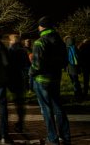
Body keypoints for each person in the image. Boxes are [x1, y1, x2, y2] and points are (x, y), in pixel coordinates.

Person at [29, 16, 71, 145]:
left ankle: (52, 138)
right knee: (58, 108)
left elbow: (37, 65)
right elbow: (65, 61)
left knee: (46, 109)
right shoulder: (60, 42)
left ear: (41, 27)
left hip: (42, 80)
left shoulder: (39, 42)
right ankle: (65, 136)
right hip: (55, 78)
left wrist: (30, 73)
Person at [7, 34, 30, 133]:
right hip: (21, 77)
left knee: (17, 101)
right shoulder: (23, 51)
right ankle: (20, 122)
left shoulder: (11, 51)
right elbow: (27, 64)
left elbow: (7, 64)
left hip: (13, 77)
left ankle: (19, 123)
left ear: (12, 41)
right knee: (20, 102)